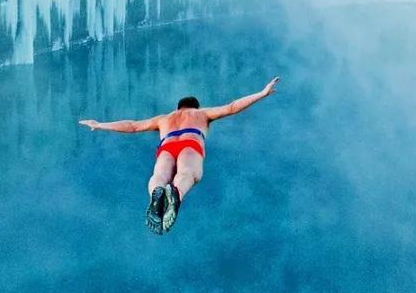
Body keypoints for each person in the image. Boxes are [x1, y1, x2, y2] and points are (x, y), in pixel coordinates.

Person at [79, 76, 280, 234]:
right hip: (190, 143)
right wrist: (262, 93)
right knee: (189, 174)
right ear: (195, 107)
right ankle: (176, 193)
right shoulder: (202, 114)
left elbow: (132, 126)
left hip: (167, 146)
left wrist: (99, 125)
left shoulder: (164, 118)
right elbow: (232, 107)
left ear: (178, 108)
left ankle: (156, 193)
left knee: (158, 176)